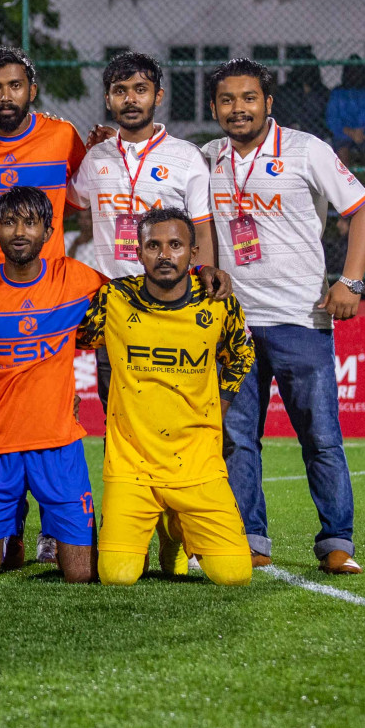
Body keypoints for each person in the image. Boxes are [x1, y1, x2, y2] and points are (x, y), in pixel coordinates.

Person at [204, 59, 365, 575]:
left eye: (249, 98)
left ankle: (336, 542)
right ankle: (250, 539)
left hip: (300, 317)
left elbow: (364, 208)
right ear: (214, 107)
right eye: (228, 100)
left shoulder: (306, 150)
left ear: (268, 103)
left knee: (320, 436)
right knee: (236, 439)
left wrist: (350, 281)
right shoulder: (207, 157)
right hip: (231, 322)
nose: (239, 108)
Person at [68, 51, 214, 574]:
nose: (131, 99)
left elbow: (202, 228)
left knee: (179, 427)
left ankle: (186, 537)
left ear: (159, 95)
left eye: (140, 89)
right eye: (121, 91)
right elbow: (74, 207)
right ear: (108, 99)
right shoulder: (95, 159)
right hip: (117, 316)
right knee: (121, 431)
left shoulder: (185, 157)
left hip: (173, 315)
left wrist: (208, 288)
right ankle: (133, 532)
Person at [0, 45, 88, 568]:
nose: (4, 97)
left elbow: (82, 193)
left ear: (32, 89)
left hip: (51, 297)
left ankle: (56, 531)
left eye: (14, 86)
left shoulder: (62, 137)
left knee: (56, 413)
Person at [77, 207, 255, 587]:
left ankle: (174, 530)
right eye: (153, 246)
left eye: (175, 245)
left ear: (193, 253)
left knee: (235, 577)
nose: (164, 255)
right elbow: (69, 340)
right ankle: (155, 518)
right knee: (117, 577)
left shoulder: (217, 301)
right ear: (138, 252)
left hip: (197, 464)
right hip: (132, 465)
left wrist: (218, 407)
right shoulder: (114, 298)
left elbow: (242, 354)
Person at [0, 186, 104, 583]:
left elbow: (133, 297)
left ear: (48, 229)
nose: (19, 231)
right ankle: (13, 539)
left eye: (30, 222)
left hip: (58, 444)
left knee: (81, 575)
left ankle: (91, 530)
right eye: (8, 222)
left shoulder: (75, 278)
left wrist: (201, 273)